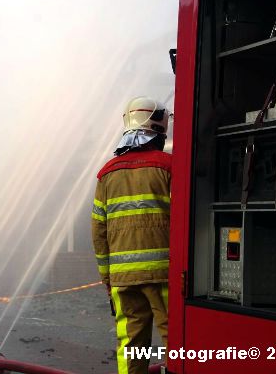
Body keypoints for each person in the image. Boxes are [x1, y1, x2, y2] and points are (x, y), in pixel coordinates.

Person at [91, 96, 171, 374]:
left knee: (131, 344)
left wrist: (108, 278)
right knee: (178, 340)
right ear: (159, 130)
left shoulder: (106, 175)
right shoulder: (169, 167)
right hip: (164, 274)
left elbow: (98, 232)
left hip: (123, 279)